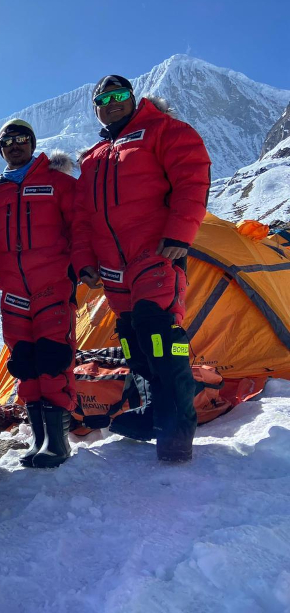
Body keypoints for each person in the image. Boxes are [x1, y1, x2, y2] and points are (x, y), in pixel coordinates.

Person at [73, 75, 211, 462]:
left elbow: (192, 179)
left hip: (156, 255)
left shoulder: (164, 130)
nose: (112, 103)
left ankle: (177, 430)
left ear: (134, 98)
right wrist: (84, 263)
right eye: (103, 99)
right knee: (132, 338)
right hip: (114, 268)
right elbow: (81, 219)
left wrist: (180, 234)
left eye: (119, 95)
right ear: (96, 108)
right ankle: (152, 411)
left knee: (160, 332)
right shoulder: (92, 158)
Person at [0, 121, 78, 468]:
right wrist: (9, 273)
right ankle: (39, 439)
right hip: (15, 292)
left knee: (53, 359)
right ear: (1, 149)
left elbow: (79, 227)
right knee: (24, 362)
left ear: (32, 144)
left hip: (53, 285)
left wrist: (71, 269)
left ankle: (58, 443)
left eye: (22, 139)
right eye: (7, 141)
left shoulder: (58, 182)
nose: (15, 145)